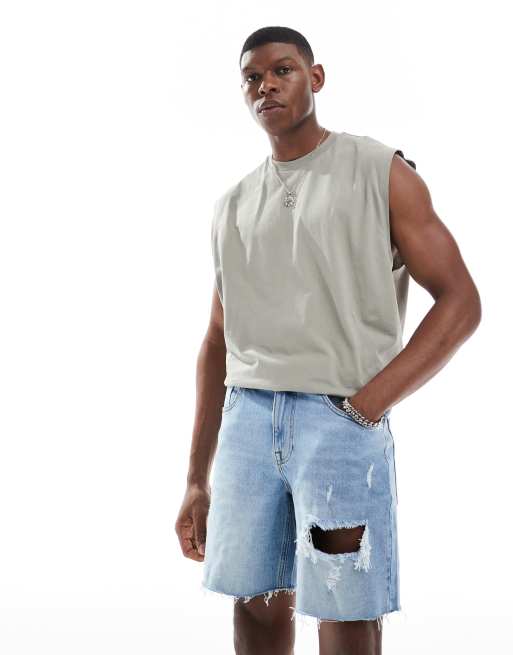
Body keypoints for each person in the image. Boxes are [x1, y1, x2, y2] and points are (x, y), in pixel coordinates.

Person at [175, 25, 481, 655]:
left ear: (315, 78)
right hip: (247, 423)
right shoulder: (232, 205)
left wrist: (368, 404)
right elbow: (216, 340)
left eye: (281, 70)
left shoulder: (379, 171)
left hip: (338, 419)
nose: (266, 86)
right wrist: (196, 478)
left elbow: (461, 301)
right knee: (256, 602)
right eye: (252, 78)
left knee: (347, 608)